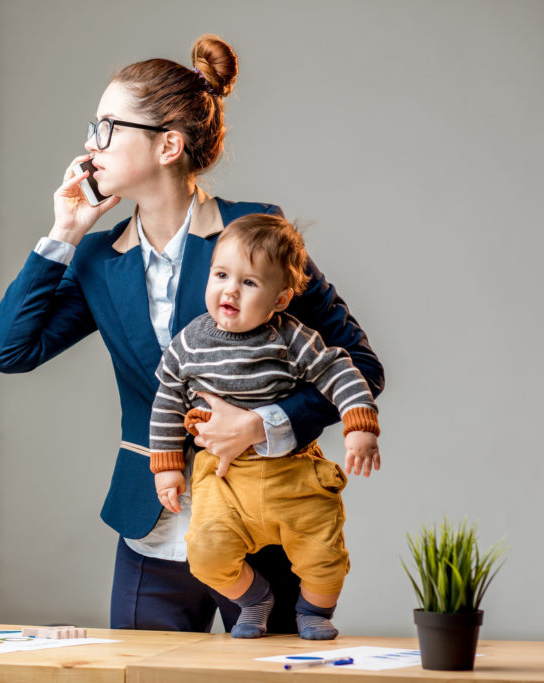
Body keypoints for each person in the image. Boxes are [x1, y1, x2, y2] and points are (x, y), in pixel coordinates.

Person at [0, 34, 384, 634]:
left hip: (265, 518)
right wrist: (65, 231)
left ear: (168, 144)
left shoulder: (255, 233)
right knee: (143, 674)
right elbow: (8, 351)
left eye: (107, 128)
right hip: (154, 524)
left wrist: (263, 424)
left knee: (271, 673)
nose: (91, 145)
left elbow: (359, 365)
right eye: (93, 128)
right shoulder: (98, 259)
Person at [149, 213, 381, 639]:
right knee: (206, 554)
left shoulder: (292, 338)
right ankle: (254, 599)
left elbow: (340, 370)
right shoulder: (189, 342)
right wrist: (165, 466)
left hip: (292, 473)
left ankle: (313, 612)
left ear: (280, 299)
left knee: (325, 556)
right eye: (221, 275)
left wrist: (359, 424)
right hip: (223, 479)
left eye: (250, 282)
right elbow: (167, 399)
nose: (230, 290)